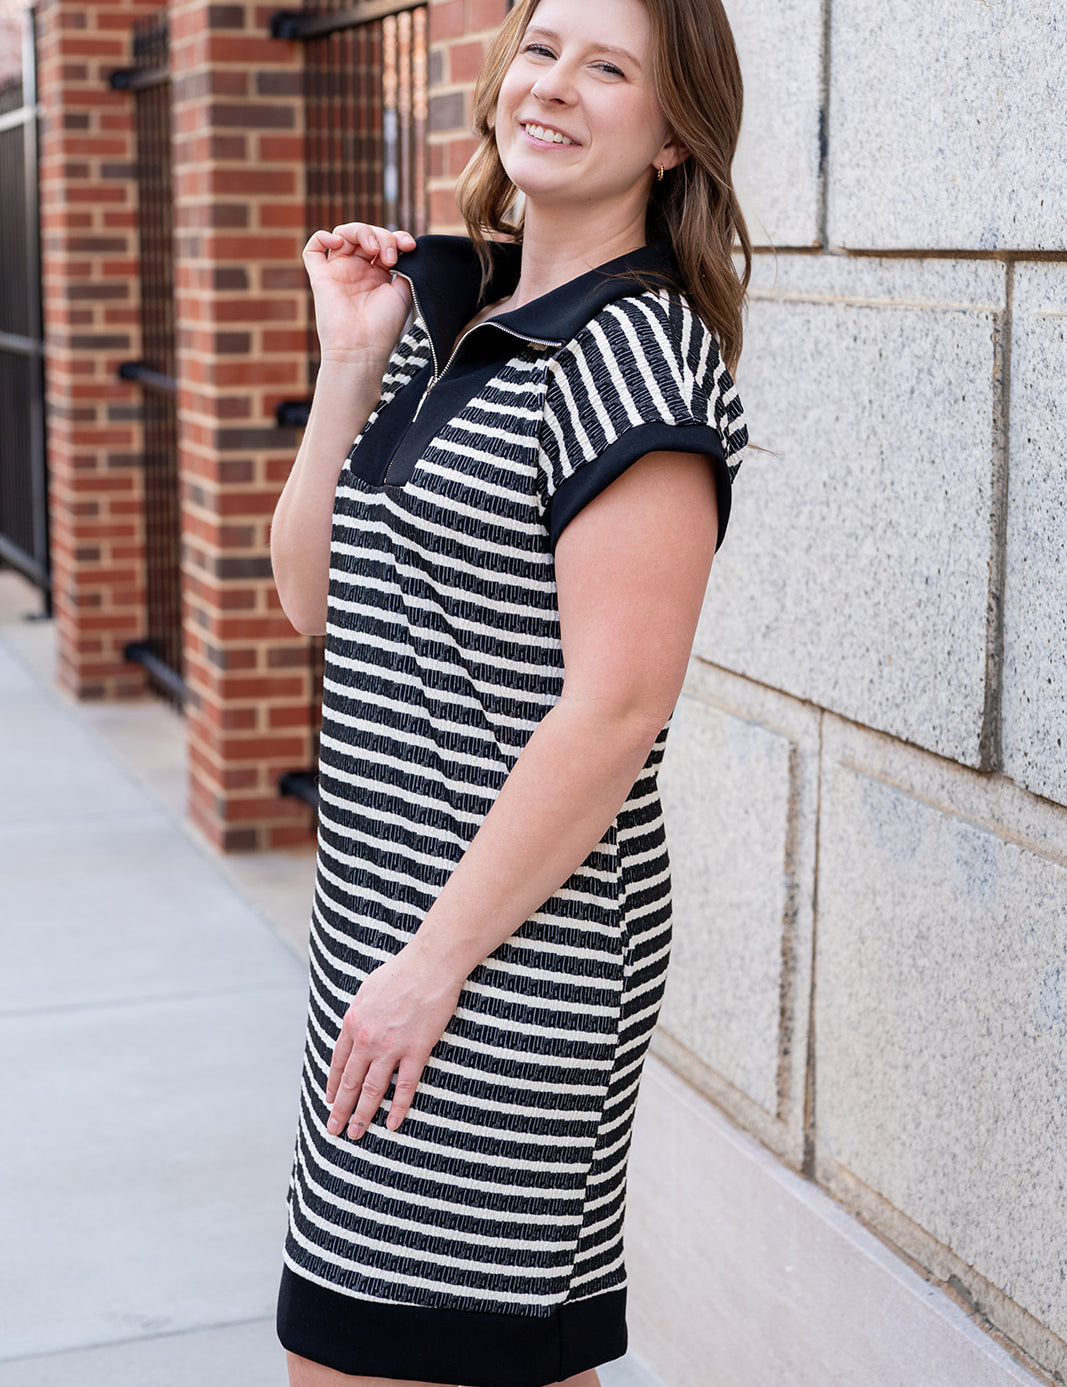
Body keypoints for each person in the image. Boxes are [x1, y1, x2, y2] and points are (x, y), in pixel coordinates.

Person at [269, 0, 750, 1383]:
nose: (555, 85)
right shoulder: (447, 308)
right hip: (391, 937)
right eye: (542, 49)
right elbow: (314, 597)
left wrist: (432, 970)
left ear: (671, 137)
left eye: (610, 70)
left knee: (368, 1357)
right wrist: (349, 366)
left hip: (505, 962)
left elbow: (615, 711)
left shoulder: (636, 363)